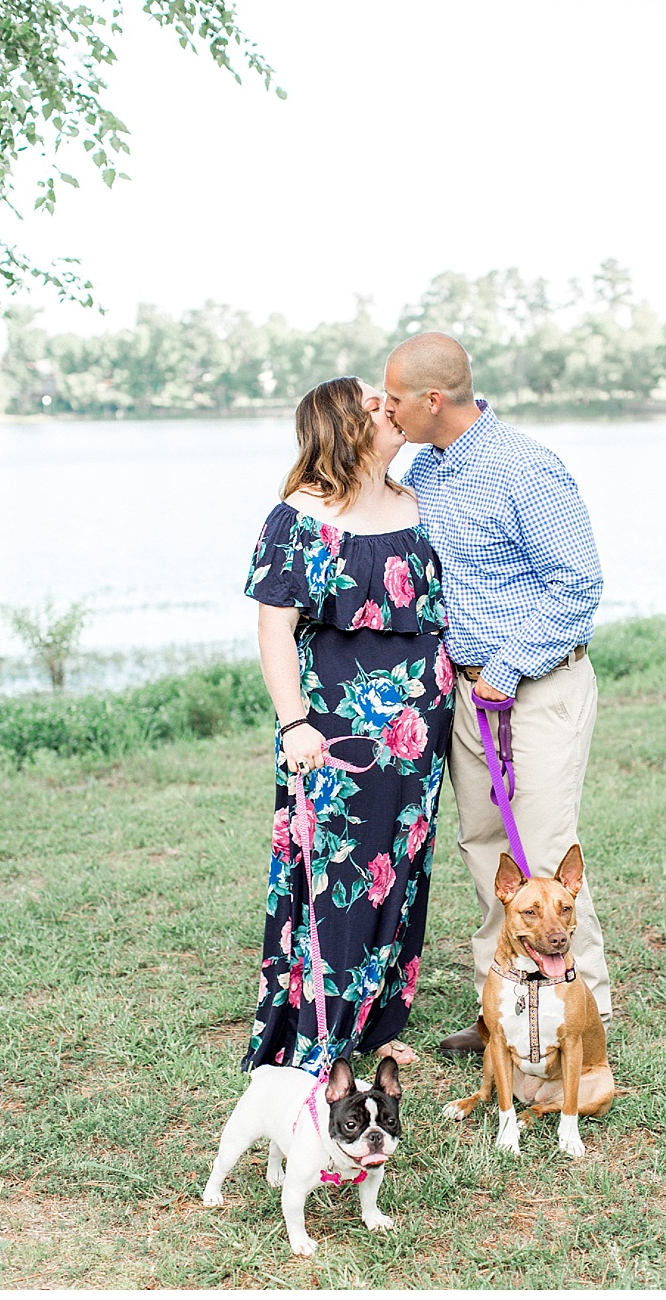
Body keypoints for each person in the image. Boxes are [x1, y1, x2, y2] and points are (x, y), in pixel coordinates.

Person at [382, 331, 611, 1057]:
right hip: (468, 697)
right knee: (489, 854)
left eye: (393, 399)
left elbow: (579, 583)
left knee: (543, 856)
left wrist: (505, 671)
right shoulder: (425, 467)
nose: (387, 410)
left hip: (536, 687)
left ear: (433, 400)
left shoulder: (524, 468)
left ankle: (581, 1018)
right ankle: (502, 1012)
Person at [241, 376, 454, 1078]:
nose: (389, 410)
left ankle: (380, 1021)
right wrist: (294, 721)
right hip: (333, 732)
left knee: (402, 871)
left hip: (420, 727)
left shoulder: (417, 502)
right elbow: (274, 633)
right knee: (337, 872)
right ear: (345, 427)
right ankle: (319, 1033)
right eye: (373, 404)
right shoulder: (299, 516)